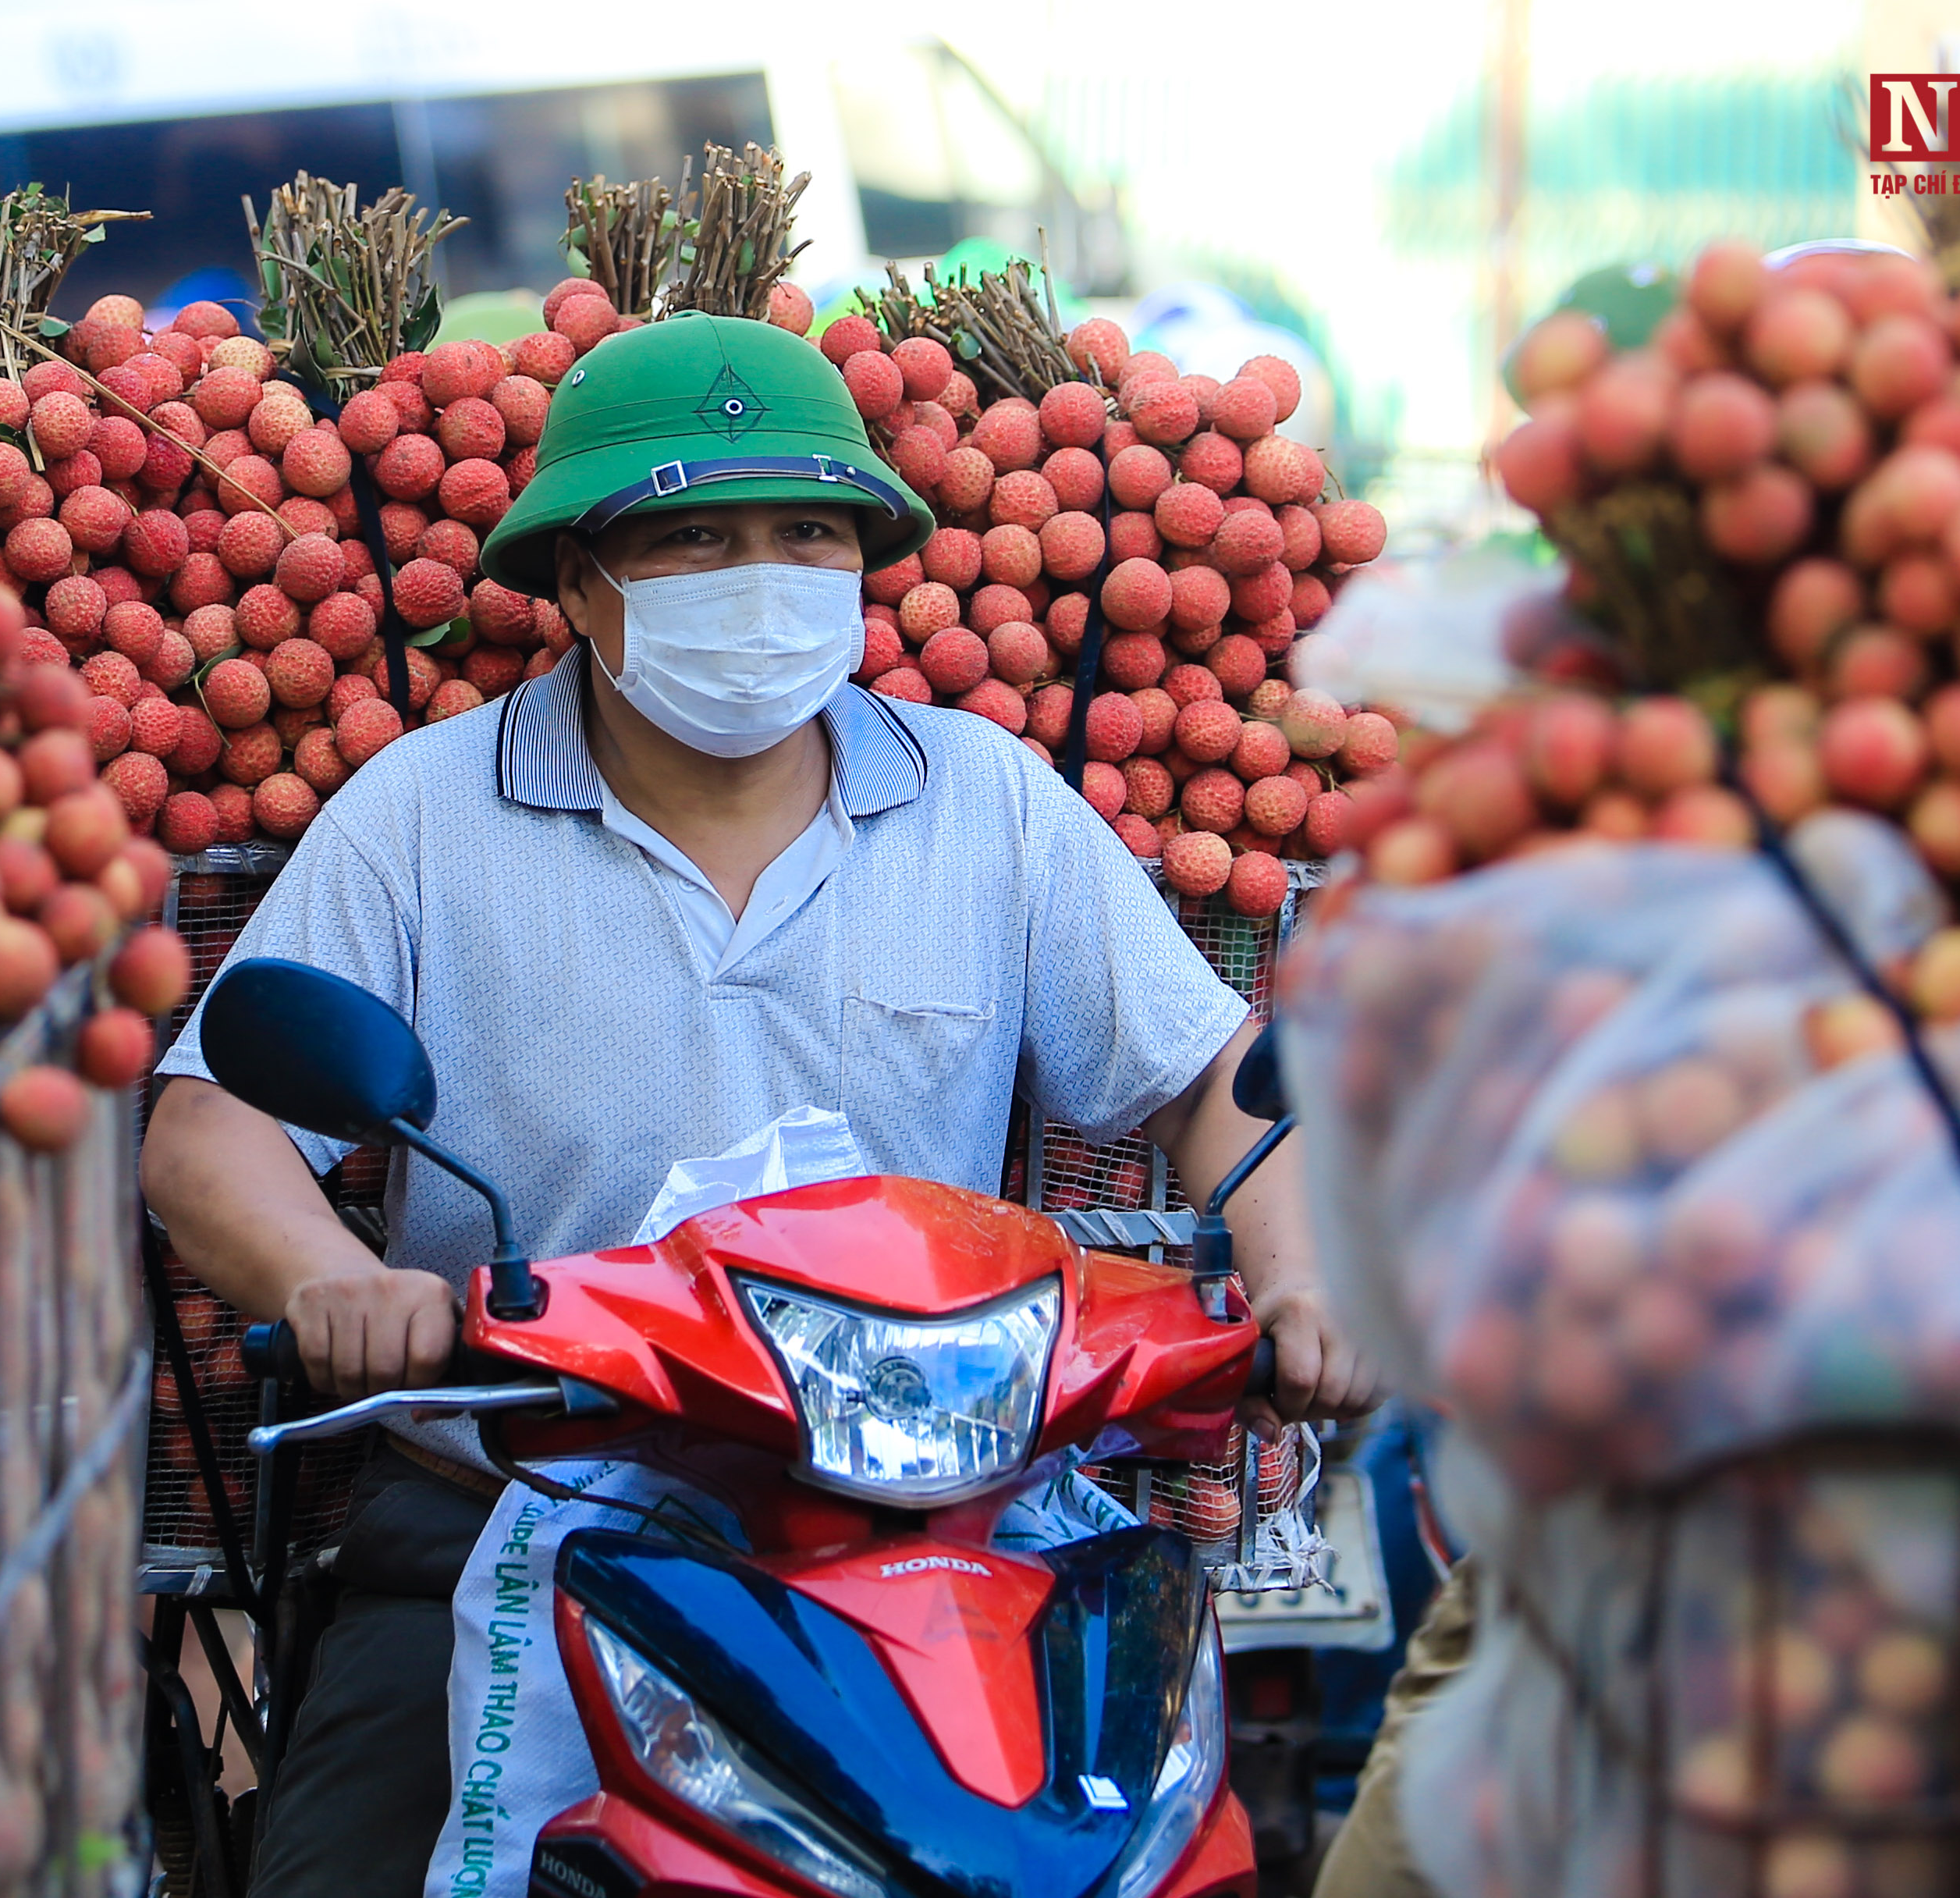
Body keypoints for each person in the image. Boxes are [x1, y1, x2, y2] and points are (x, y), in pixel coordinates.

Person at [140, 310, 1370, 1898]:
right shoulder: (423, 814)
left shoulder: (981, 802)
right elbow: (211, 1124)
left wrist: (1302, 1275)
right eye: (695, 538)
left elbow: (1212, 1083)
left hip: (923, 1523)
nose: (762, 572)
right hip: (510, 1506)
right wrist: (339, 1281)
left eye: (806, 535)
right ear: (580, 583)